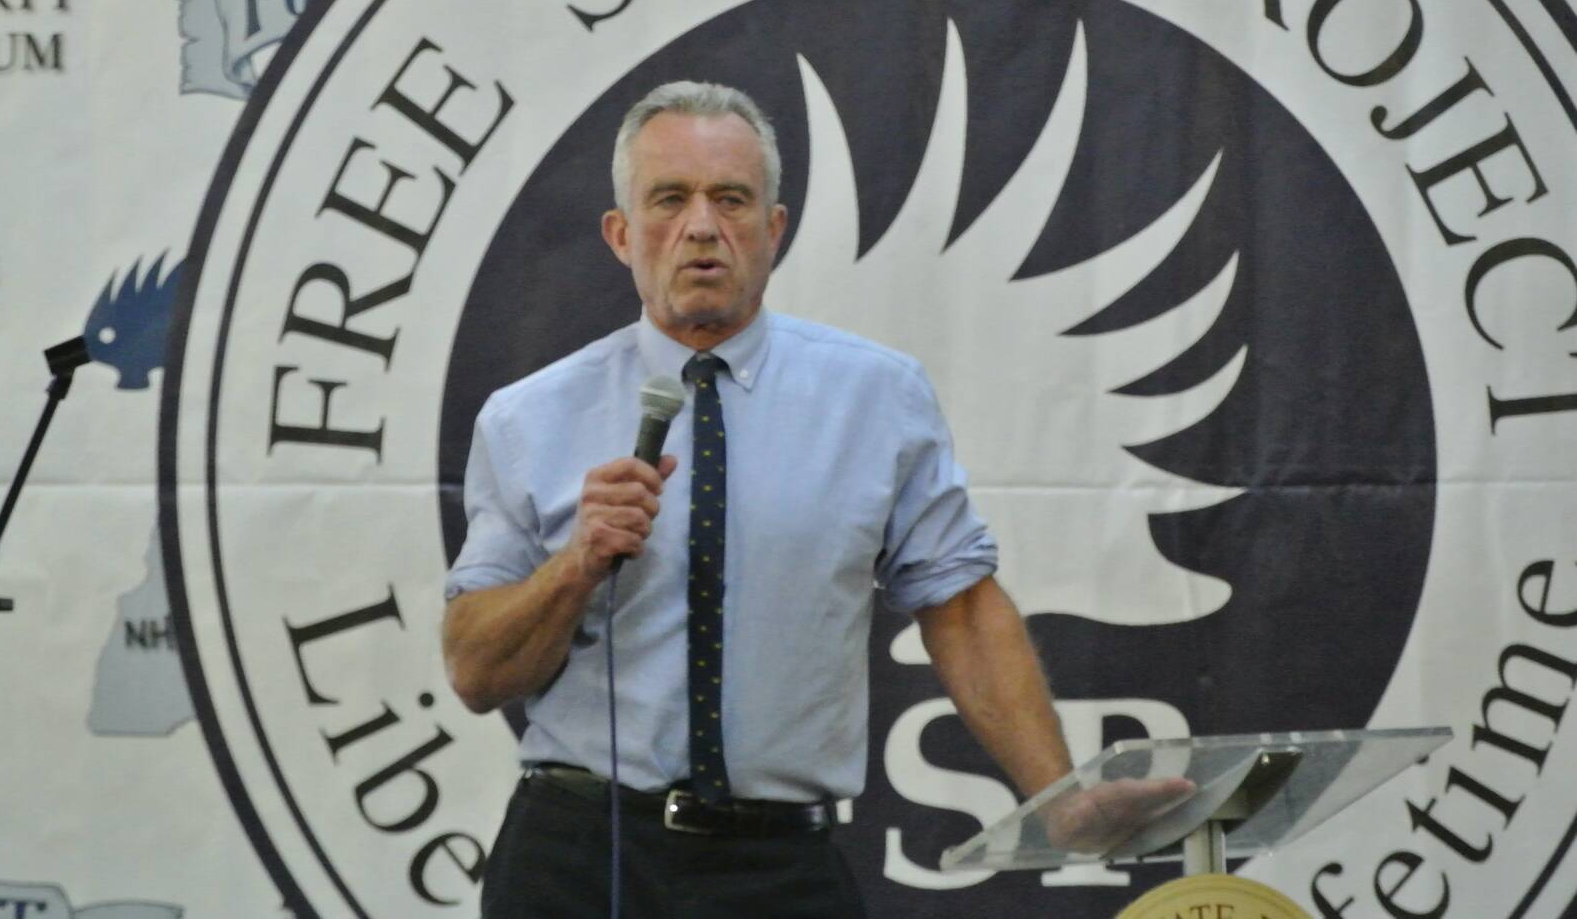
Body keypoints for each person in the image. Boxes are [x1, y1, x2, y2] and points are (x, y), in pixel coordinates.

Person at [442, 81, 1177, 918]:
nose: (702, 227)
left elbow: (961, 611)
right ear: (620, 234)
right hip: (579, 860)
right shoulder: (527, 416)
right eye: (669, 199)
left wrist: (1061, 798)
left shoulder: (877, 397)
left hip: (777, 869)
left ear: (774, 229)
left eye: (731, 199)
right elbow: (474, 669)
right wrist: (572, 567)